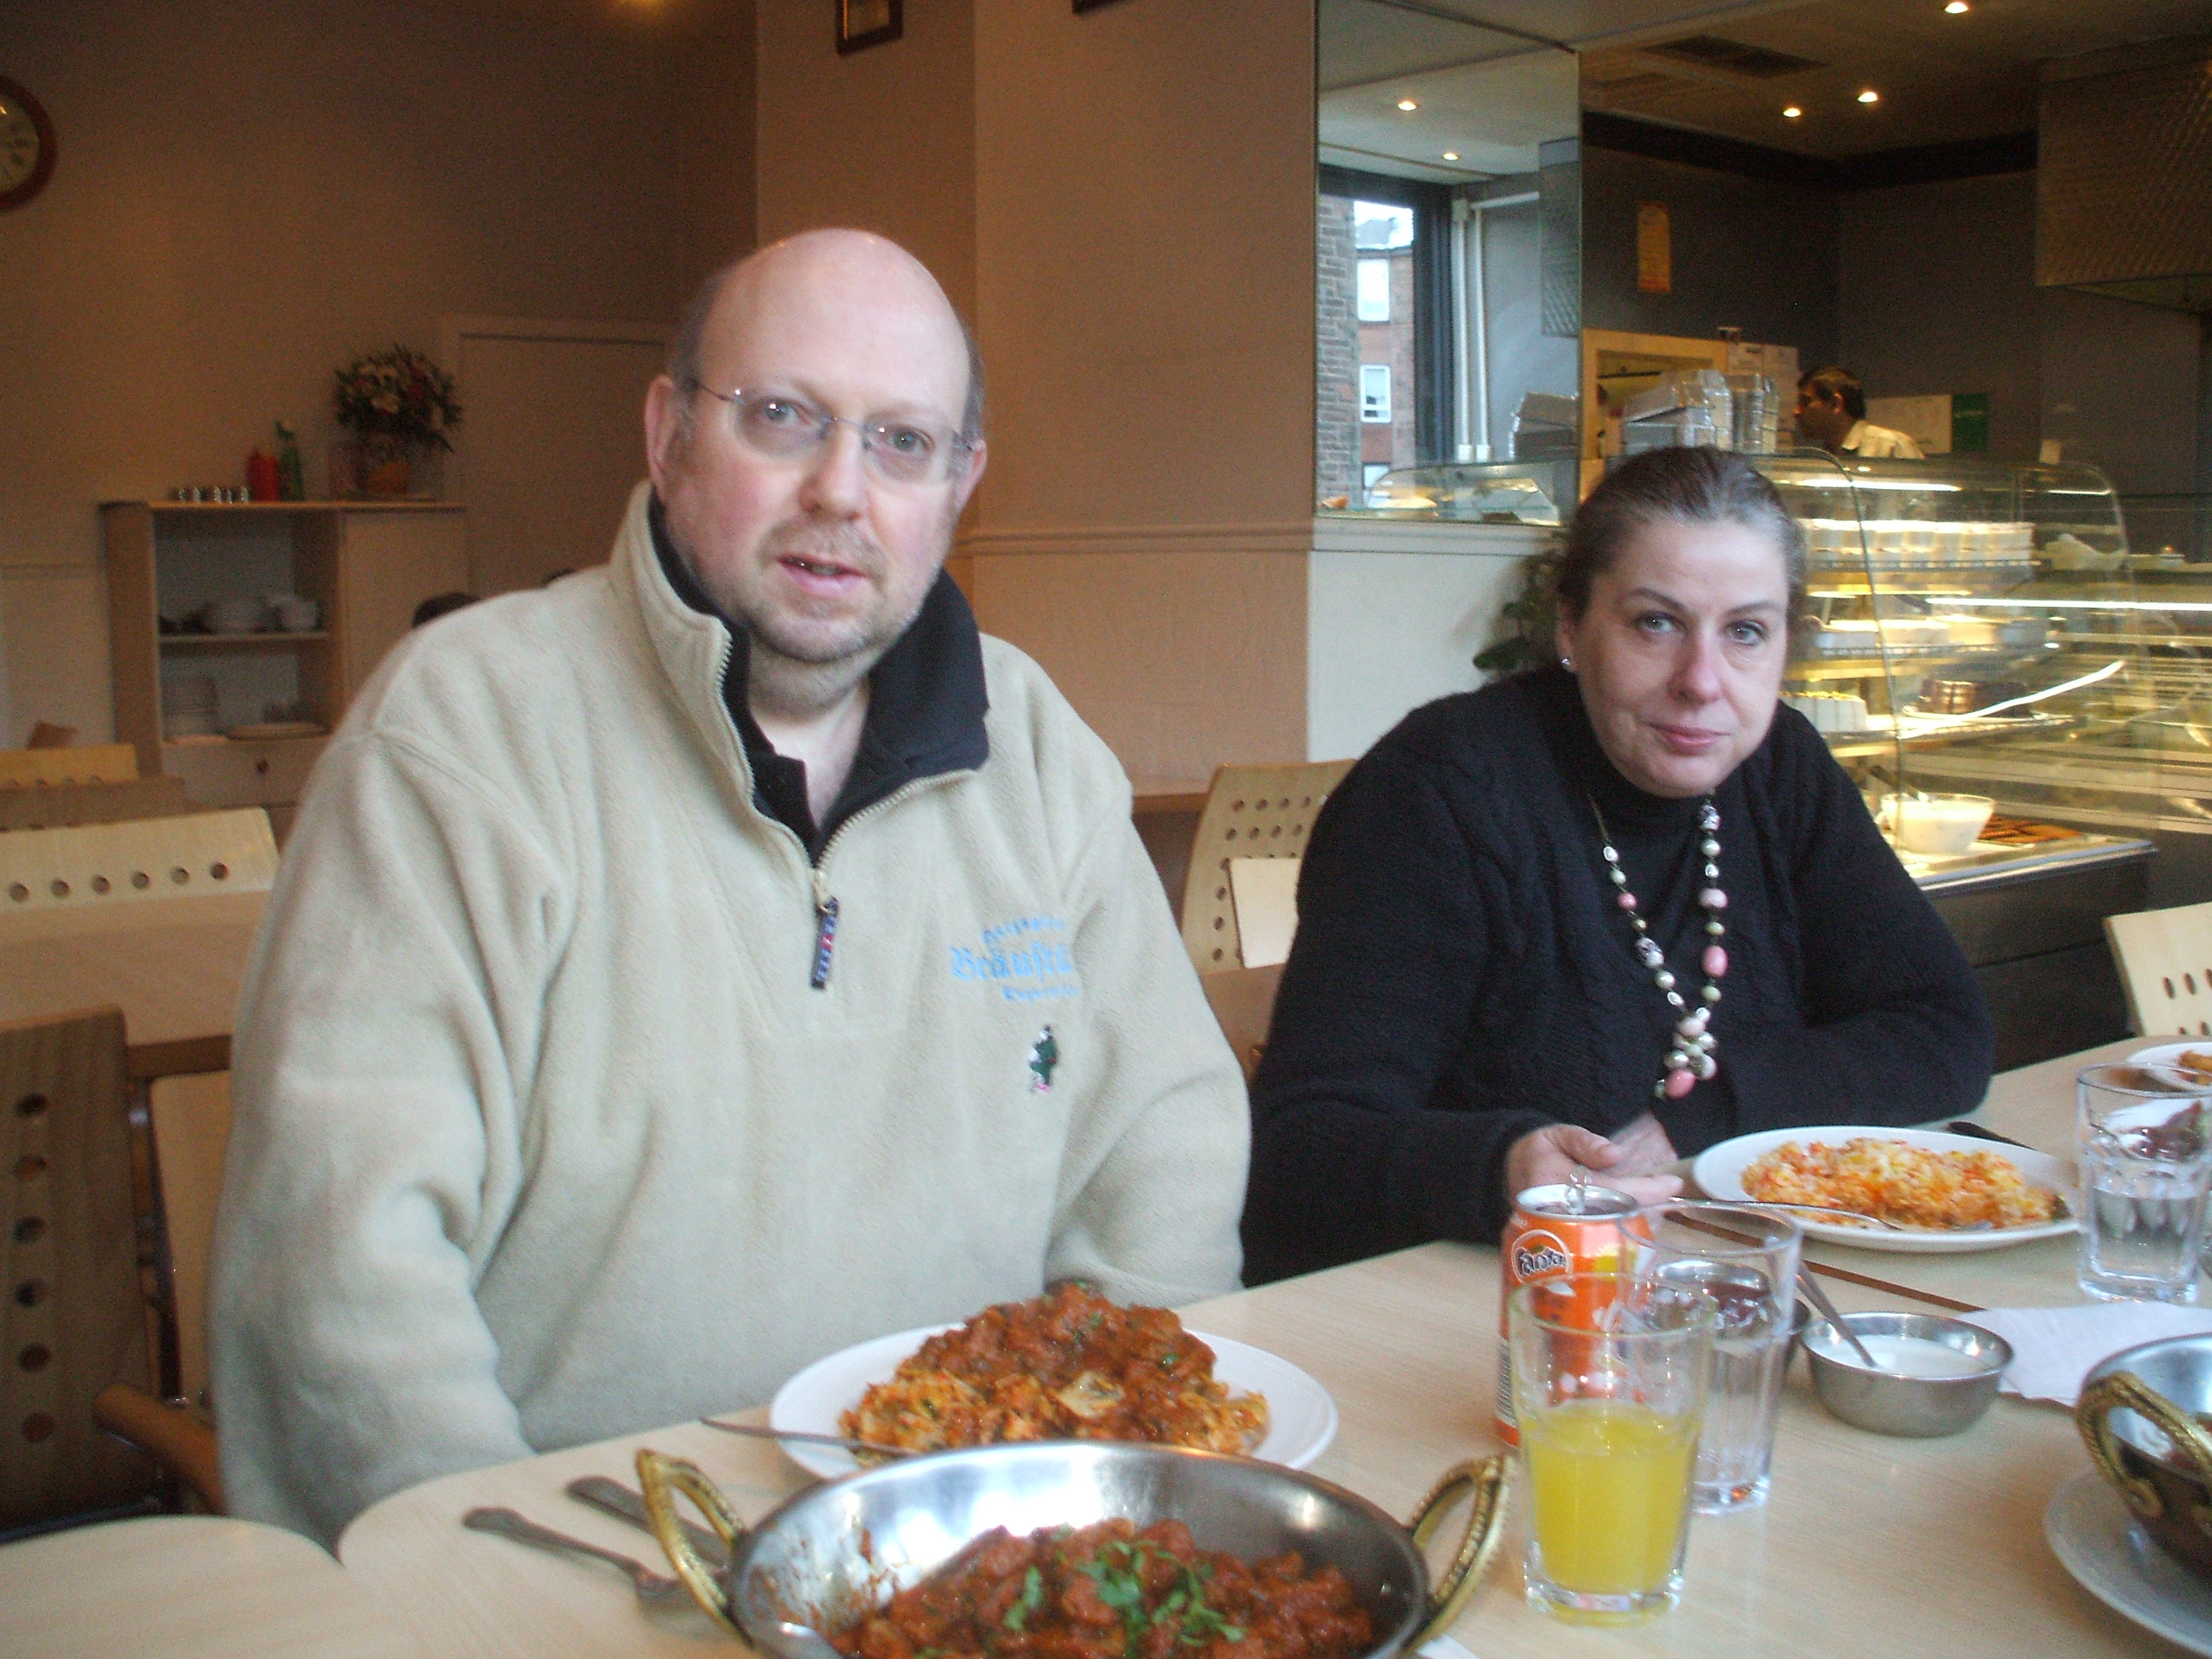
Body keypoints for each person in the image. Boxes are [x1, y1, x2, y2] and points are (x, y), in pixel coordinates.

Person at [210, 230, 1249, 1545]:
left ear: (960, 484)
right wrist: (519, 1582)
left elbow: (1160, 1154)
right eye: (782, 417)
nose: (840, 490)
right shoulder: (463, 733)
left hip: (987, 1550)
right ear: (668, 437)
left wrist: (1112, 1517)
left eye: (903, 443)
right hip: (583, 1568)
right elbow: (339, 1275)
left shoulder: (1036, 749)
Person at [1240, 446, 1991, 1284]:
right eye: (1655, 623)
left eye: (1745, 632)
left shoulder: (1780, 769)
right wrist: (1502, 1168)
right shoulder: (1442, 793)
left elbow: (1945, 1030)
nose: (1701, 681)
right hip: (1481, 1307)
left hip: (1722, 1287)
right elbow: (1300, 1149)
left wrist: (1704, 1118)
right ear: (1571, 626)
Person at [1794, 366, 1924, 459]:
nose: (1796, 412)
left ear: (1835, 404)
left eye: (1806, 402)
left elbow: (1922, 491)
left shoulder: (1891, 446)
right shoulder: (1824, 457)